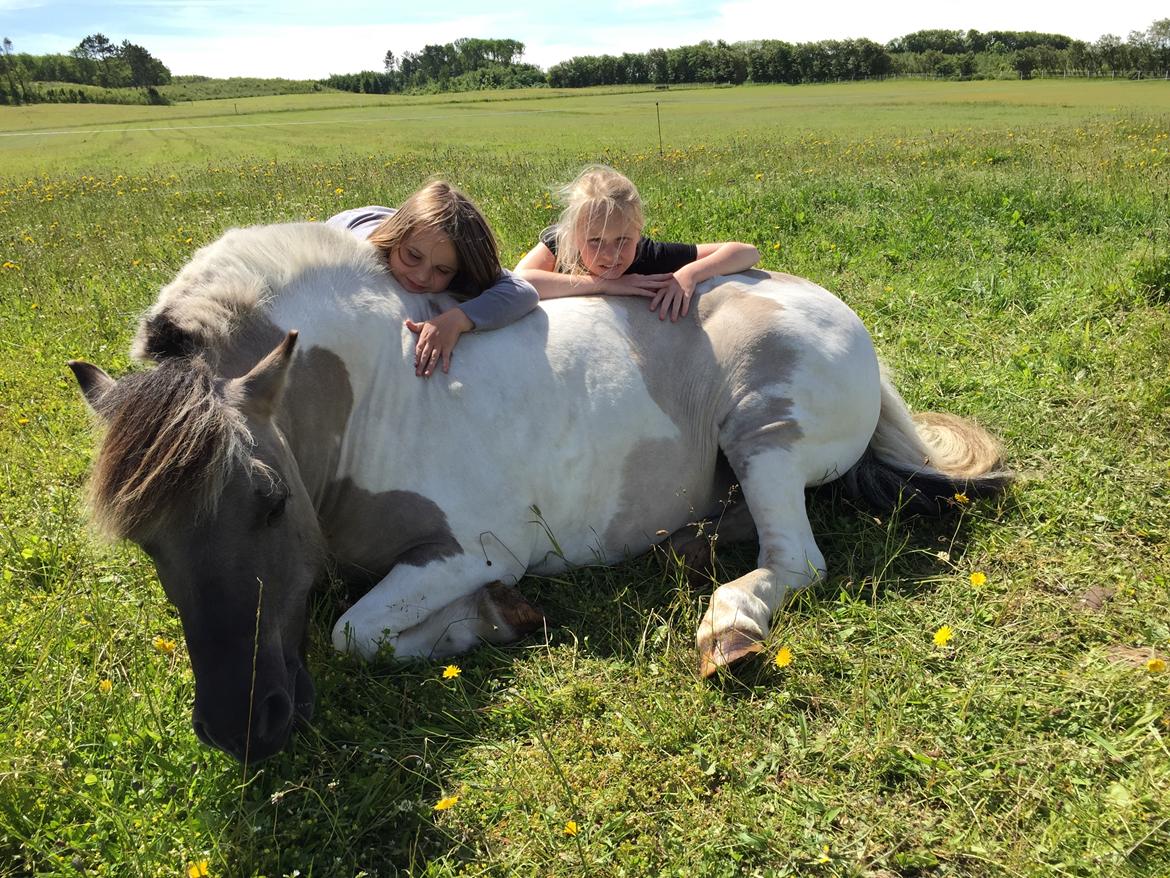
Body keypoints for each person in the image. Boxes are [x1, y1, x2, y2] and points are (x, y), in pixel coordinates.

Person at [327, 181, 539, 377]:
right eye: (413, 256)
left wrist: (457, 319)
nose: (421, 276)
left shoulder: (453, 262)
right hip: (360, 220)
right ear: (395, 240)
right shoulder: (359, 252)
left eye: (442, 270)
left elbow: (523, 290)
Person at [515, 165, 760, 322]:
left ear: (638, 232)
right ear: (575, 235)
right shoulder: (560, 244)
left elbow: (747, 253)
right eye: (595, 241)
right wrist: (607, 285)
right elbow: (520, 280)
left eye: (623, 240)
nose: (611, 256)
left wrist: (689, 274)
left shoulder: (648, 254)